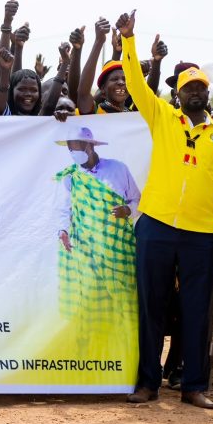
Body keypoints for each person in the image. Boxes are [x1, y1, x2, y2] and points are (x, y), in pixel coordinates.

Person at [119, 10, 213, 410]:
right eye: (188, 87)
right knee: (151, 305)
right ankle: (147, 383)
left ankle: (193, 386)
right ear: (178, 95)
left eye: (200, 88)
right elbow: (136, 84)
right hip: (155, 225)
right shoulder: (163, 119)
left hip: (202, 234)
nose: (194, 93)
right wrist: (129, 40)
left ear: (208, 96)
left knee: (196, 311)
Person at [54, 126, 140, 355]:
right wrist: (62, 231)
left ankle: (122, 351)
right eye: (71, 150)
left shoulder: (118, 169)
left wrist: (128, 210)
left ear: (90, 146)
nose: (74, 153)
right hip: (85, 247)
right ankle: (88, 353)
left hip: (117, 248)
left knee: (121, 299)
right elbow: (63, 210)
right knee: (88, 300)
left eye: (78, 148)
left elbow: (137, 200)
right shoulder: (70, 176)